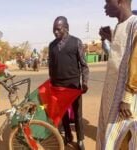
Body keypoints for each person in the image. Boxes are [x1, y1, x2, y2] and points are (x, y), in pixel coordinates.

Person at [96, 0, 137, 149]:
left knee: (121, 140)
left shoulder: (135, 24)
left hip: (124, 101)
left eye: (108, 2)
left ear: (120, 1)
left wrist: (127, 97)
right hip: (111, 98)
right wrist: (110, 38)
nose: (105, 6)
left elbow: (136, 62)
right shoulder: (120, 26)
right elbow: (121, 56)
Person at [48, 16, 89, 150]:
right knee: (63, 113)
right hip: (58, 85)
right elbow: (51, 65)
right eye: (54, 30)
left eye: (58, 29)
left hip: (73, 85)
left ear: (66, 28)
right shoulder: (52, 45)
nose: (55, 32)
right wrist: (51, 83)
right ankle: (68, 136)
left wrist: (85, 82)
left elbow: (84, 65)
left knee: (77, 113)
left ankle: (81, 139)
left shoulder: (76, 42)